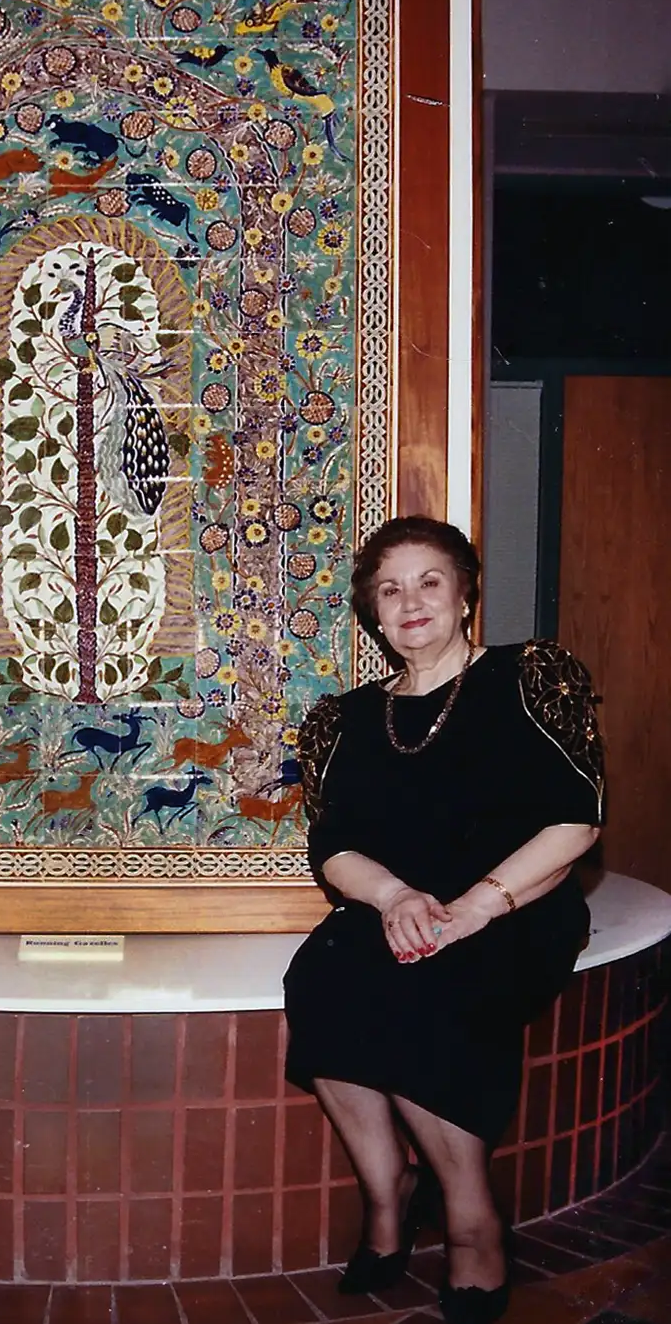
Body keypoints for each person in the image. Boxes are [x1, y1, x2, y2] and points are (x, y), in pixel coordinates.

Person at [283, 515, 604, 1324]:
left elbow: (576, 821)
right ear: (374, 614)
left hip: (514, 904)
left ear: (464, 594)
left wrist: (472, 908)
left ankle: (470, 1219)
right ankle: (387, 1190)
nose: (410, 600)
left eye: (429, 580)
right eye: (389, 589)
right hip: (400, 903)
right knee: (320, 975)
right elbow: (332, 847)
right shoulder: (344, 717)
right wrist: (392, 897)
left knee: (432, 990)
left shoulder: (529, 674)